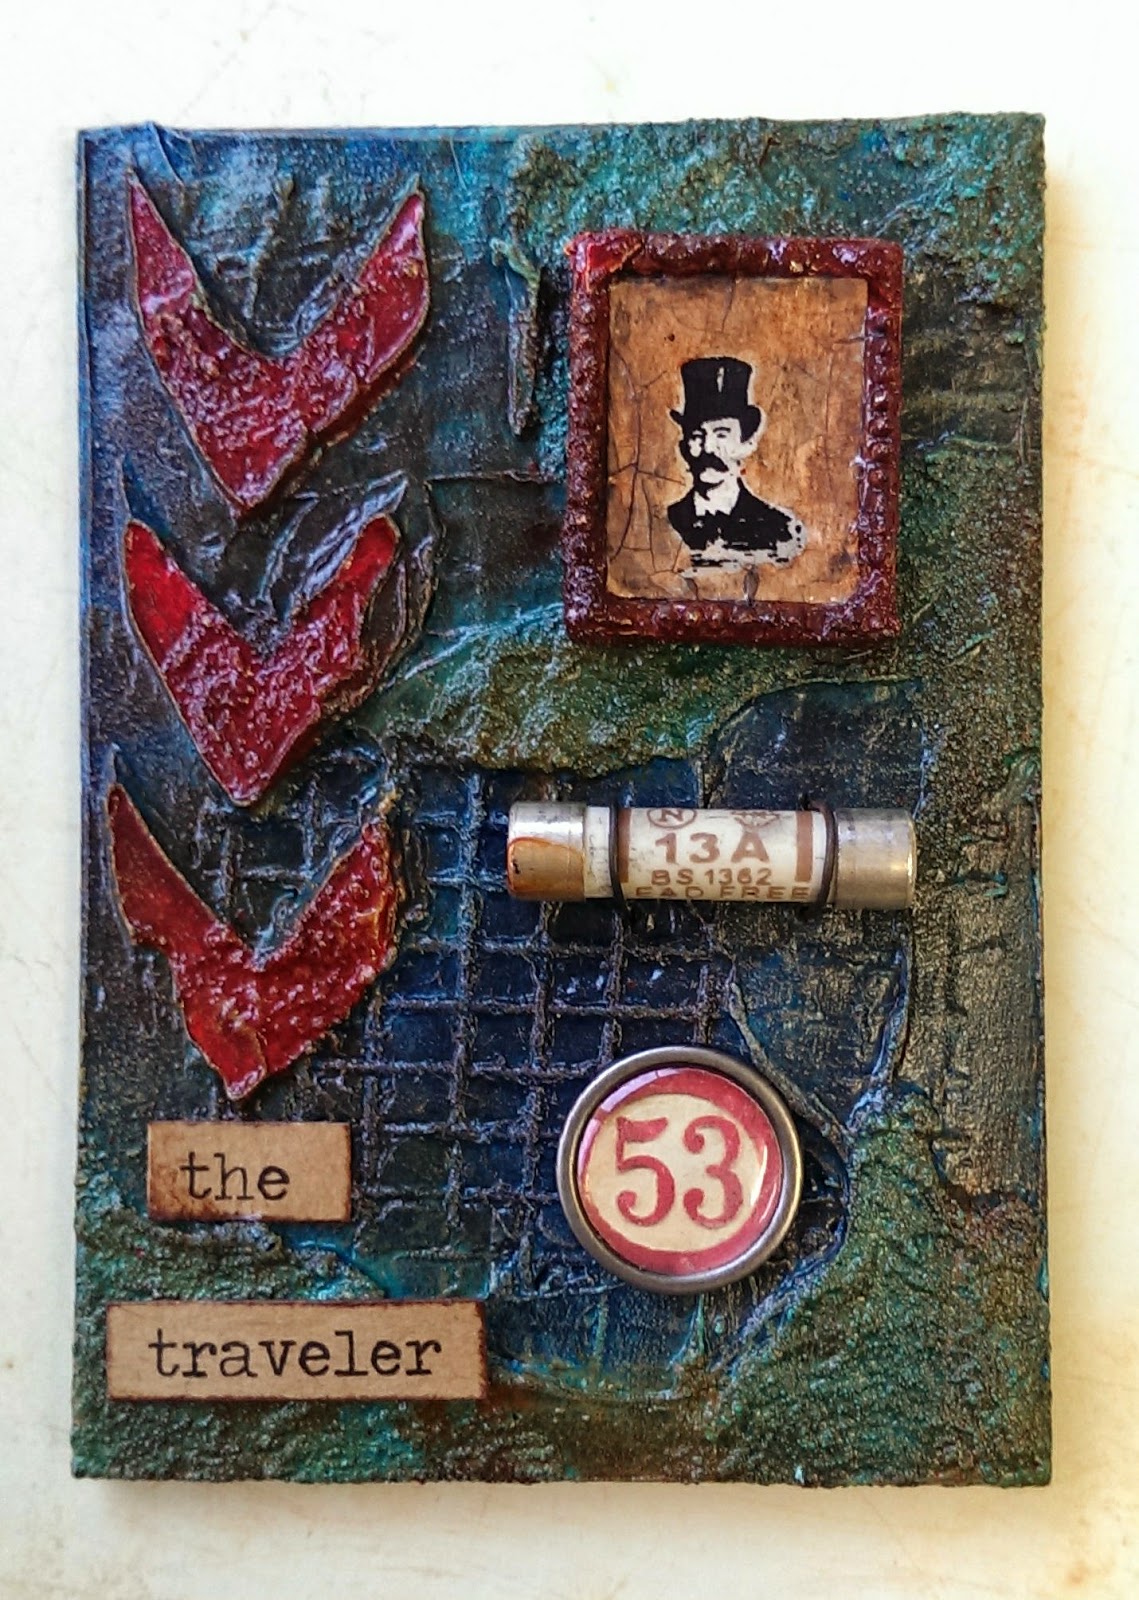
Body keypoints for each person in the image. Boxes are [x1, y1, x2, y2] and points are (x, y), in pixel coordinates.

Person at [667, 357, 806, 570]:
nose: (708, 449)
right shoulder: (666, 524)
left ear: (747, 444)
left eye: (721, 434)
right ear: (683, 447)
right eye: (697, 436)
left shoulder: (780, 530)